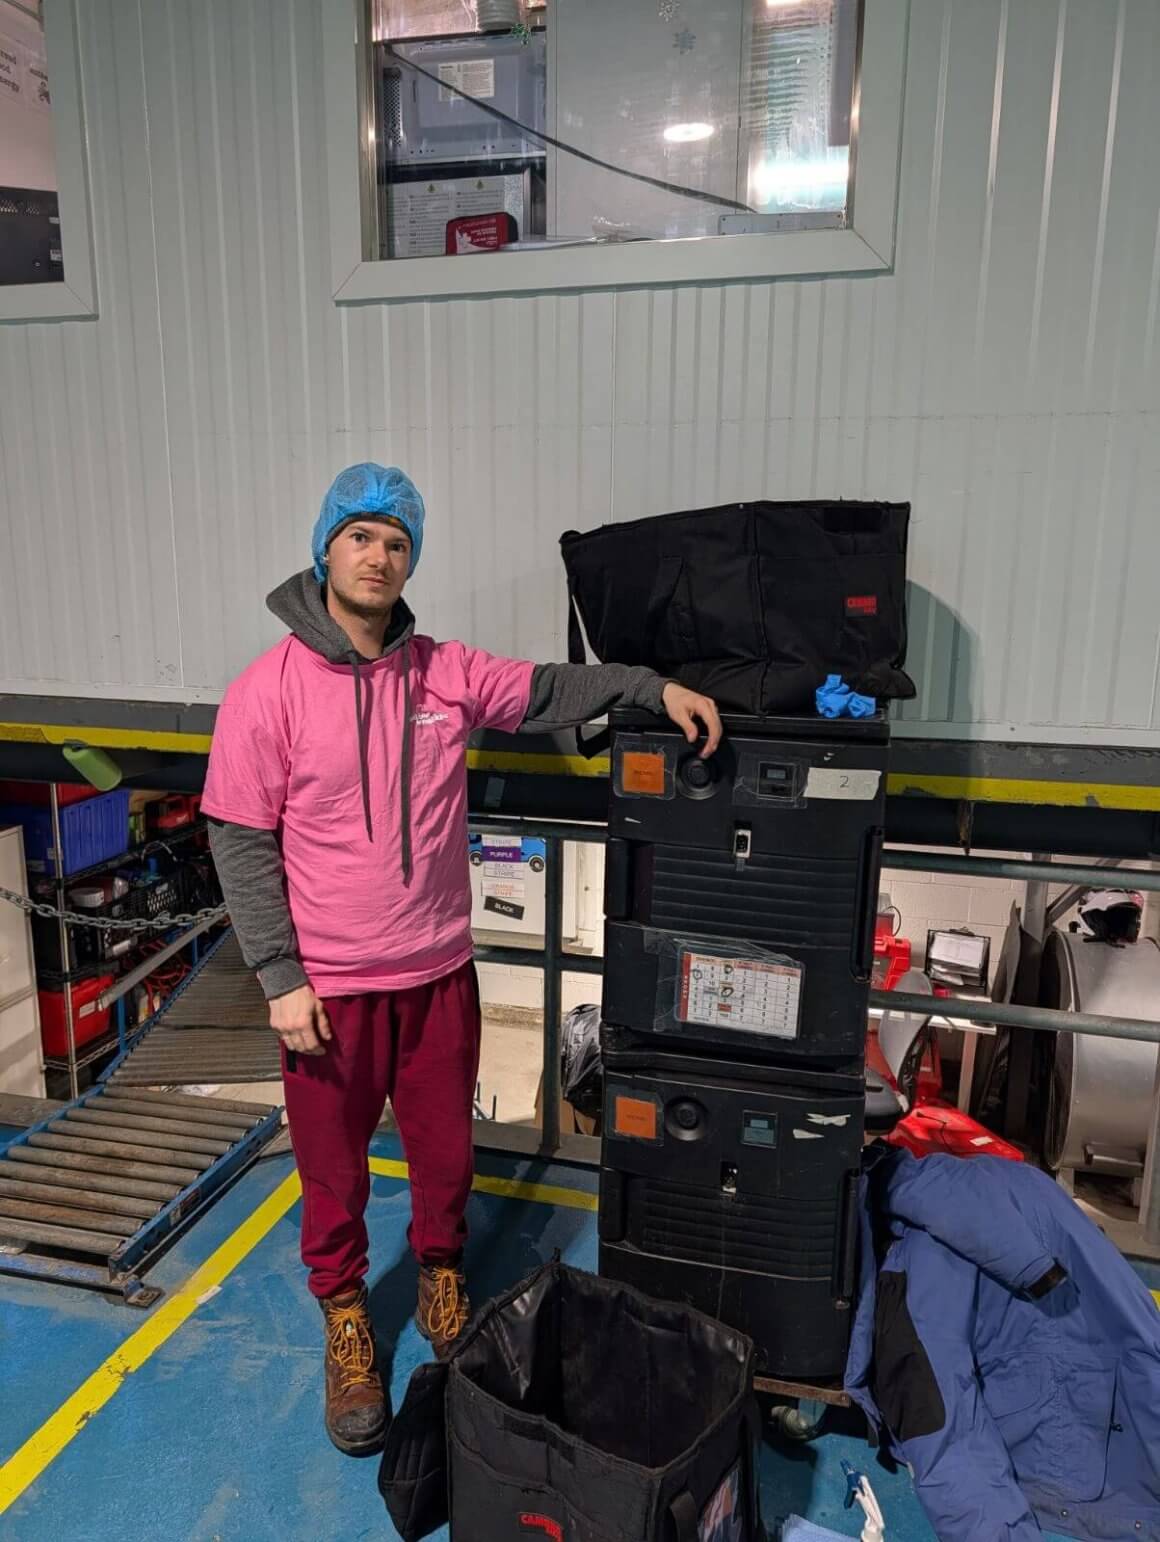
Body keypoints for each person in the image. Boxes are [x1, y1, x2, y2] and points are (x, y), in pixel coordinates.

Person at [202, 463, 721, 1457]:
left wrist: (651, 684)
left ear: (410, 564)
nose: (379, 556)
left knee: (445, 1156)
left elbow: (549, 689)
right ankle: (348, 1318)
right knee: (331, 1174)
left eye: (396, 543)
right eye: (360, 536)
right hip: (330, 992)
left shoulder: (442, 674)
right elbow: (237, 838)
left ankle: (442, 1274)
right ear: (326, 549)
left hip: (437, 974)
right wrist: (279, 977)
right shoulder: (264, 691)